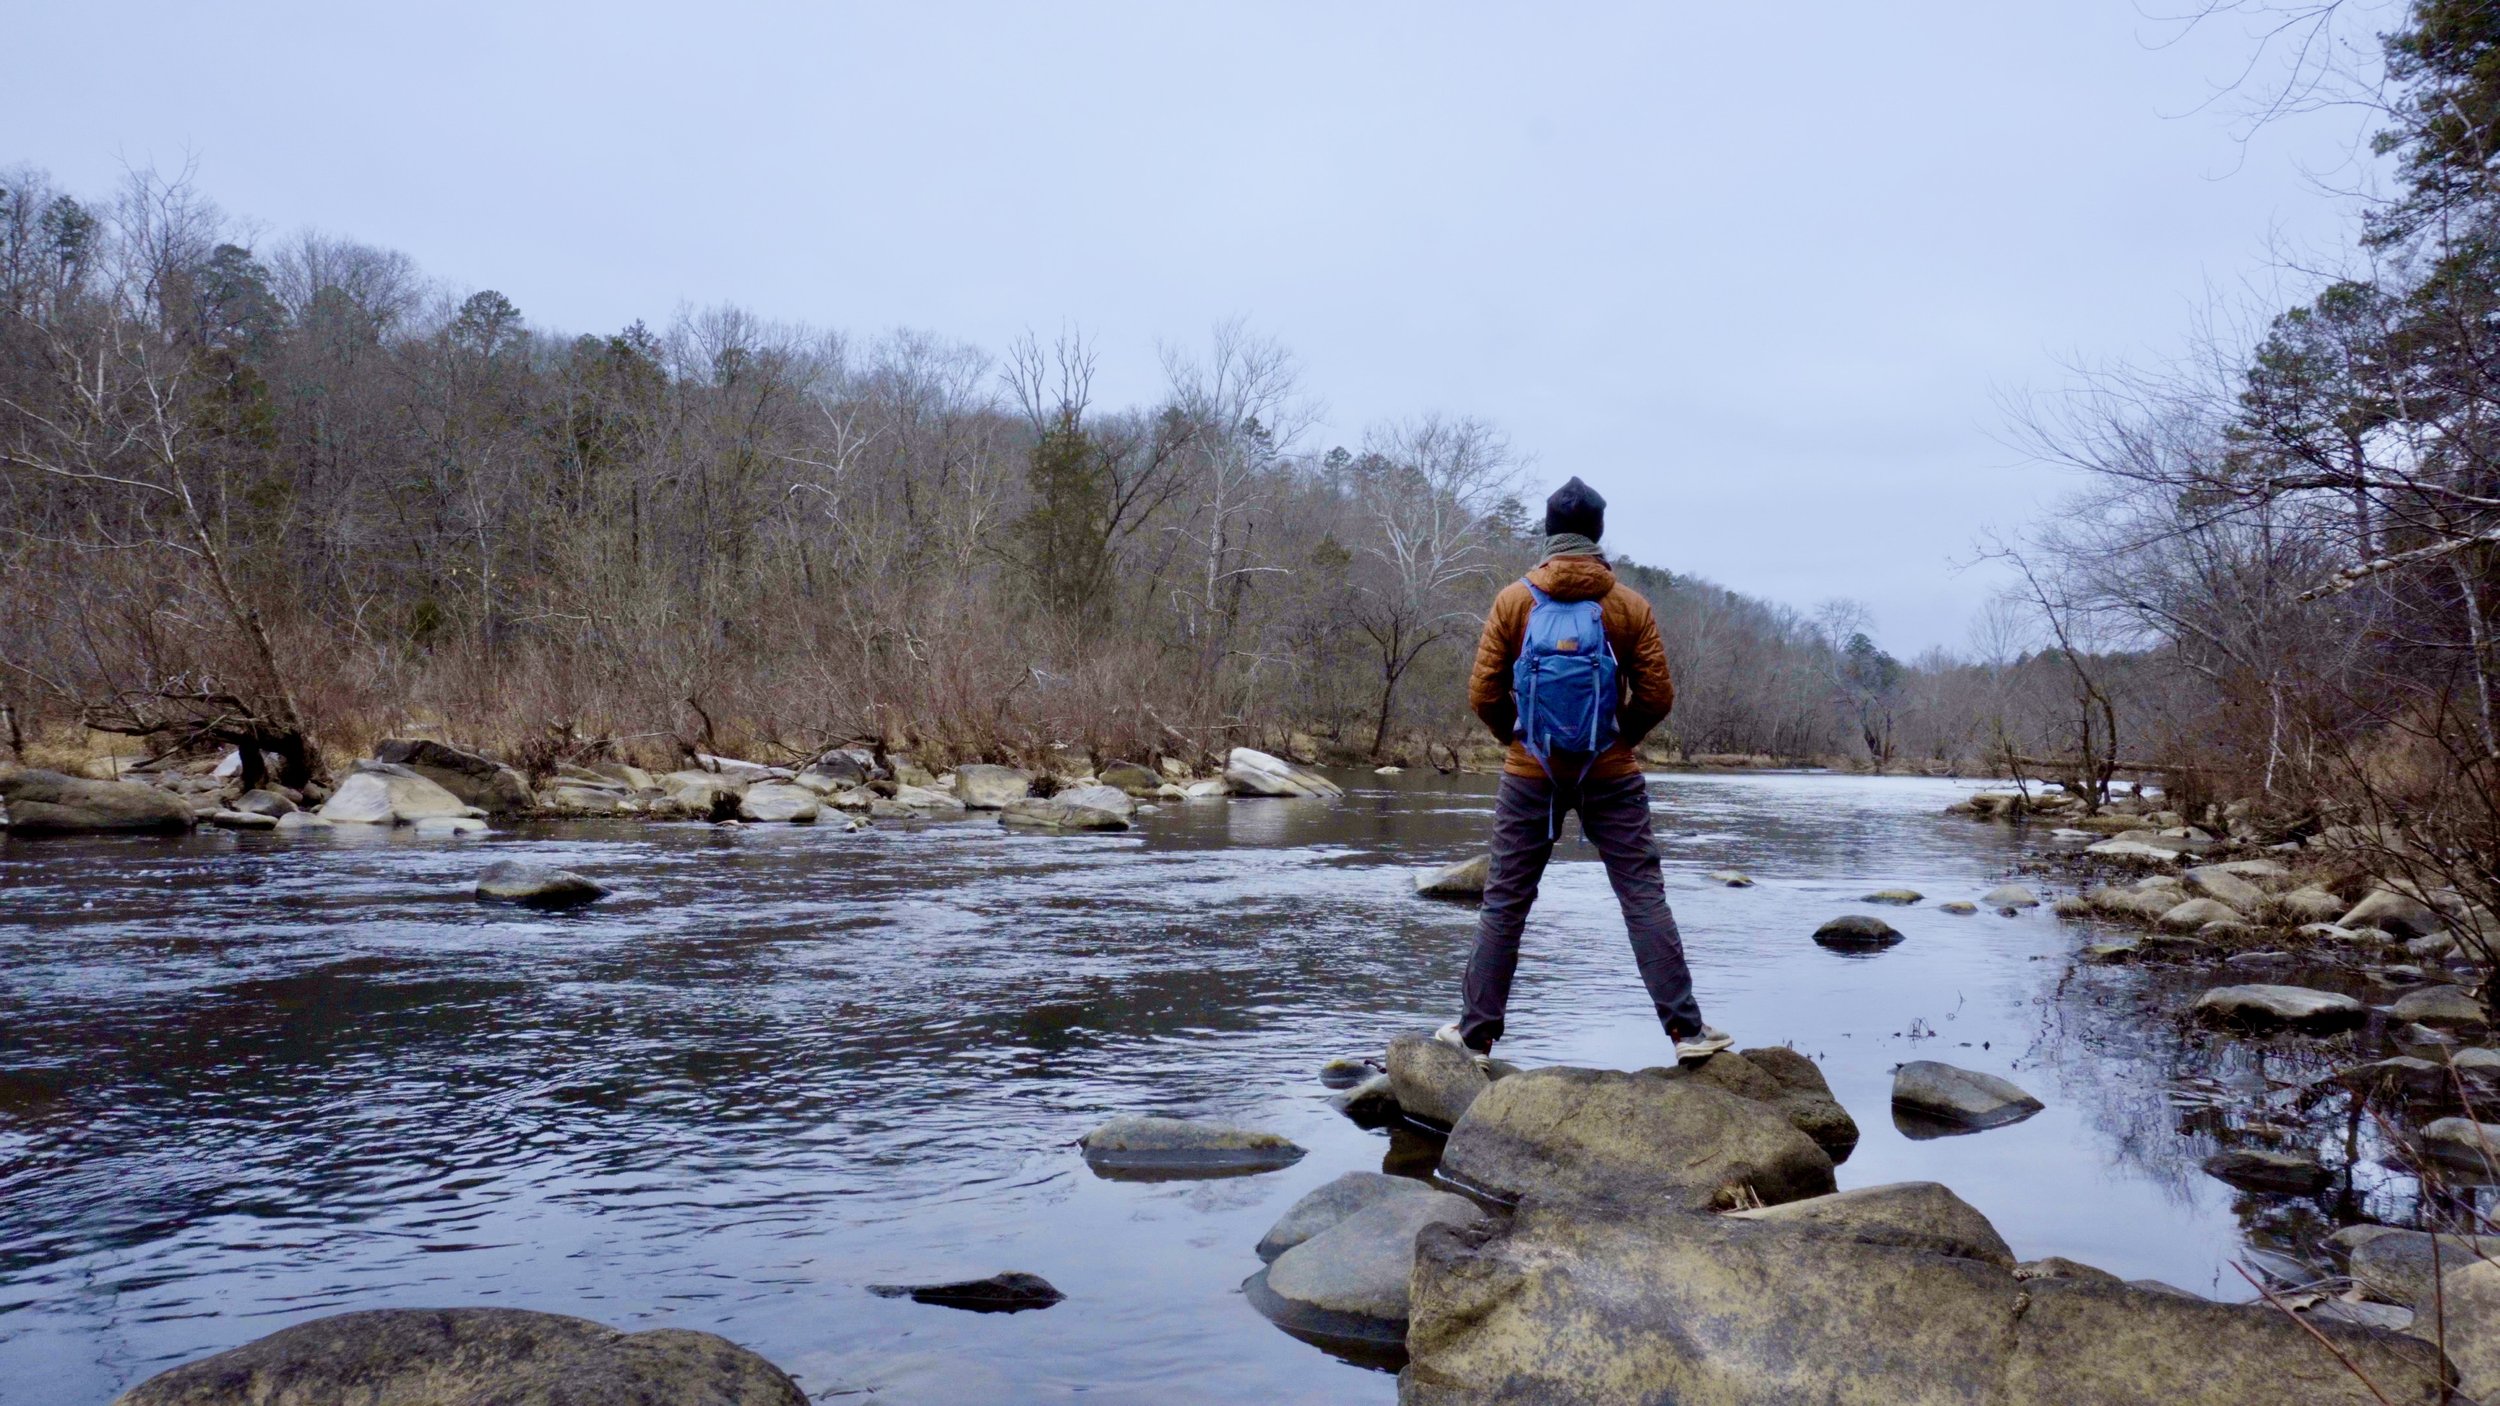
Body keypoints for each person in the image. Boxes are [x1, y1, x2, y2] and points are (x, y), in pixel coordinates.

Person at [1438, 476, 1731, 1064]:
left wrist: (1517, 738)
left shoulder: (1513, 601)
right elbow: (1658, 694)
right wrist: (1619, 736)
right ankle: (1688, 1034)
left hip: (1530, 773)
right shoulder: (1627, 605)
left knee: (1504, 903)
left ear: (1548, 536)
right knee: (1642, 897)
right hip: (1611, 772)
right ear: (1597, 536)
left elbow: (1483, 694)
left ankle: (1475, 1038)